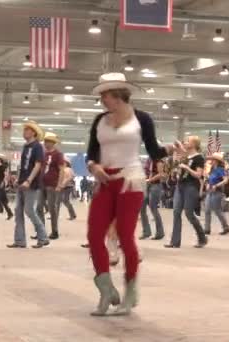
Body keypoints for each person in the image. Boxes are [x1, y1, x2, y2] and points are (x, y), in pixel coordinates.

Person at [86, 72, 172, 316]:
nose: (102, 99)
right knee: (94, 236)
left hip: (130, 180)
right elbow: (91, 152)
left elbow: (154, 150)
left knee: (125, 236)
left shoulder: (141, 119)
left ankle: (130, 292)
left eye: (105, 94)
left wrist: (173, 151)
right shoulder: (99, 120)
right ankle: (105, 290)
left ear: (118, 95)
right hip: (105, 181)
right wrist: (94, 166)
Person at [7, 120, 50, 249]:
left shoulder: (37, 147)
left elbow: (38, 165)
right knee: (18, 211)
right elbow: (24, 166)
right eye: (24, 130)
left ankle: (43, 237)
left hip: (32, 183)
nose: (24, 132)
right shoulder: (25, 147)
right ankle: (20, 240)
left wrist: (29, 180)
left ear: (33, 132)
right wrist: (19, 179)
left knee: (29, 210)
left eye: (27, 130)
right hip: (22, 182)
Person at [165, 136, 208, 249]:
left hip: (191, 186)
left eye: (188, 141)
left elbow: (198, 175)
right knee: (176, 212)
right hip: (180, 185)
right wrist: (177, 171)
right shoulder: (186, 156)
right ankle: (174, 241)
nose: (185, 142)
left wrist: (186, 168)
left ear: (194, 144)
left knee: (189, 213)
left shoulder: (199, 158)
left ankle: (202, 236)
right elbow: (179, 163)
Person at [37, 132, 65, 240]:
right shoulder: (43, 154)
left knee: (52, 209)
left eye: (48, 141)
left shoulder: (58, 154)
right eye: (45, 141)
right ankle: (41, 231)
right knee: (39, 207)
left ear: (53, 143)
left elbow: (62, 170)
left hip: (52, 185)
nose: (45, 143)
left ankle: (55, 231)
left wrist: (59, 184)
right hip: (41, 184)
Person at [204, 152, 229, 235]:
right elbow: (210, 180)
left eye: (212, 159)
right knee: (207, 210)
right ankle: (207, 229)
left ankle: (226, 227)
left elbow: (226, 180)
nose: (211, 160)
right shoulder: (212, 170)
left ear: (216, 161)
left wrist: (216, 185)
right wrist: (208, 184)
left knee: (217, 211)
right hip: (210, 192)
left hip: (217, 192)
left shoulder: (220, 170)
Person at [139, 158, 165, 240]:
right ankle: (146, 232)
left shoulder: (159, 160)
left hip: (155, 185)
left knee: (153, 207)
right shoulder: (148, 160)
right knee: (142, 207)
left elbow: (161, 174)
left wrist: (150, 180)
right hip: (146, 185)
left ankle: (160, 232)